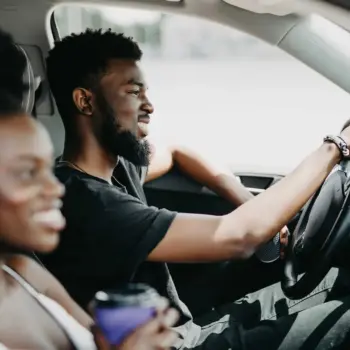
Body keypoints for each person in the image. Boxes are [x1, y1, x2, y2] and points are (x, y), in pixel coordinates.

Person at [41, 28, 350, 349]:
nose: (150, 105)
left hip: (184, 330)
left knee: (335, 282)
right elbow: (238, 237)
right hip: (171, 345)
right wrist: (336, 147)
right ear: (85, 101)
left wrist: (243, 196)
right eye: (133, 92)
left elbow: (177, 151)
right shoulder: (86, 202)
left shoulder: (119, 166)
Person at [0, 28, 179, 350]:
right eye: (28, 172)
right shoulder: (90, 199)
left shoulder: (22, 273)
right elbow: (238, 235)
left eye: (45, 167)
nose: (55, 188)